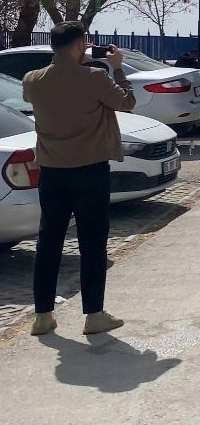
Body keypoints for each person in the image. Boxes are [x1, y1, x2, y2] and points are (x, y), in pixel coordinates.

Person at [21, 22, 134, 337]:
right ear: (80, 44)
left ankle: (43, 316)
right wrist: (117, 68)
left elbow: (42, 90)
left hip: (52, 172)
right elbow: (126, 102)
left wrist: (75, 62)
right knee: (92, 244)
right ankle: (94, 315)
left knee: (49, 242)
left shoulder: (33, 79)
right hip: (90, 171)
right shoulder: (95, 77)